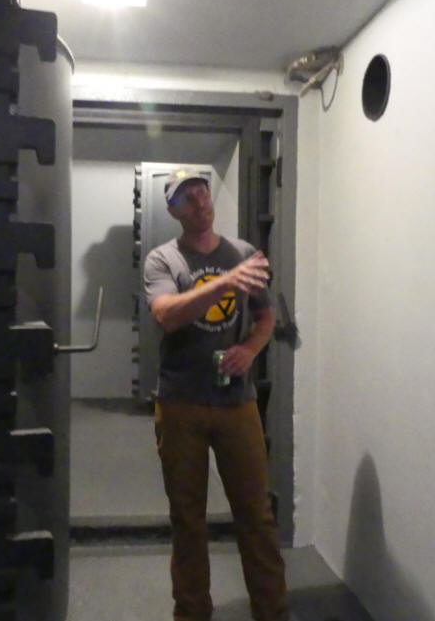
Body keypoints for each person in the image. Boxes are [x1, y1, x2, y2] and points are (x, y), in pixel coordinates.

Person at [143, 168, 288, 621]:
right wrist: (226, 283)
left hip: (236, 404)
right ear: (173, 210)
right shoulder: (162, 260)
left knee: (257, 517)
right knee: (188, 520)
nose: (200, 202)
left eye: (203, 192)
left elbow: (264, 317)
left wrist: (249, 349)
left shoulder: (243, 253)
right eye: (187, 197)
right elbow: (166, 315)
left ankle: (273, 613)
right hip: (181, 402)